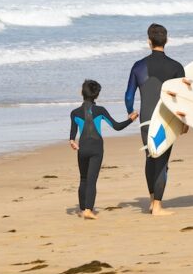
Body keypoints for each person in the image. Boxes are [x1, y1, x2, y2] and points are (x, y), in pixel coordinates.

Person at [125, 23, 186, 216]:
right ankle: (158, 206)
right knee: (162, 161)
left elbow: (128, 95)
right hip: (166, 121)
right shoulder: (176, 67)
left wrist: (130, 111)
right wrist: (184, 122)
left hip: (145, 121)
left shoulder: (138, 66)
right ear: (166, 41)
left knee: (150, 157)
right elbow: (181, 98)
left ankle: (152, 200)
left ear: (149, 42)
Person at [69, 79, 137, 220]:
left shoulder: (74, 112)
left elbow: (72, 134)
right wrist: (131, 119)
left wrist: (72, 142)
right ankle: (88, 210)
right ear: (97, 95)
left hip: (82, 148)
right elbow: (117, 127)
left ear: (81, 92)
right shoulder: (100, 110)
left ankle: (82, 209)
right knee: (92, 180)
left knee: (83, 179)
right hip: (96, 149)